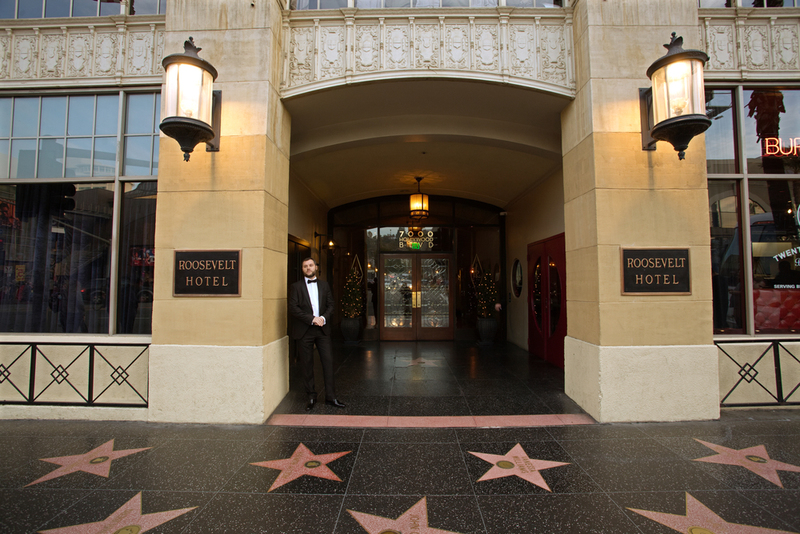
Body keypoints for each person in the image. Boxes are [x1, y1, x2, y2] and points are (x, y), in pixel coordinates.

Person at [288, 257, 345, 411]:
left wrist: (323, 318)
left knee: (328, 362)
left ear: (315, 267)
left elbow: (331, 305)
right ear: (302, 269)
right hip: (304, 330)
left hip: (322, 329)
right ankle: (311, 396)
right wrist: (312, 319)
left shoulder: (324, 285)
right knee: (307, 365)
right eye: (305, 266)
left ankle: (331, 397)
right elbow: (293, 308)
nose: (308, 268)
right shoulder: (296, 287)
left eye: (310, 265)